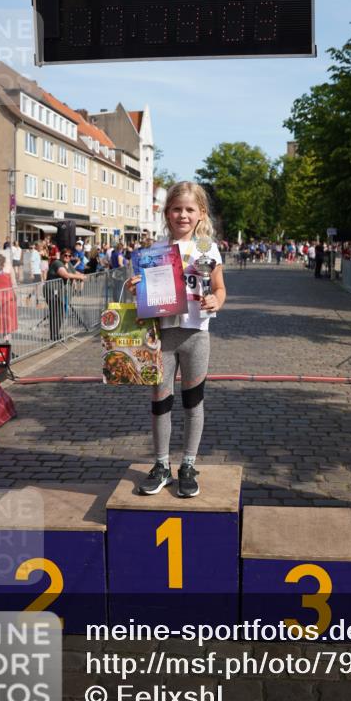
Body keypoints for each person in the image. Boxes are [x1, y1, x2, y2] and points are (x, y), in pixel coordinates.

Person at [126, 181, 226, 499]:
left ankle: (188, 464)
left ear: (201, 214)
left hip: (196, 335)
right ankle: (160, 465)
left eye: (189, 209)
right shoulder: (154, 252)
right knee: (160, 402)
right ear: (167, 213)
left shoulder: (206, 249)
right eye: (177, 209)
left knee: (193, 402)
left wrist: (217, 301)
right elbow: (144, 292)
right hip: (163, 335)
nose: (183, 214)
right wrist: (135, 287)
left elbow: (220, 288)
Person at [44, 247, 86, 341]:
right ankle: (53, 336)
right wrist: (79, 277)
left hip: (61, 293)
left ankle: (56, 334)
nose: (67, 257)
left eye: (69, 255)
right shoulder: (57, 263)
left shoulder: (69, 264)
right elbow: (65, 275)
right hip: (52, 291)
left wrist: (82, 275)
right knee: (55, 313)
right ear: (61, 255)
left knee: (60, 313)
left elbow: (74, 272)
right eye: (65, 255)